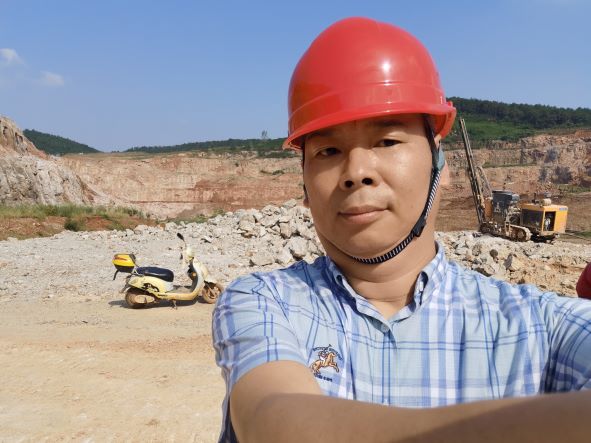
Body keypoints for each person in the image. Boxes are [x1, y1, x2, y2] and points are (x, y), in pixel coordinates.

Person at [212, 17, 591, 443]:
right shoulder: (267, 303)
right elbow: (274, 419)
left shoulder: (541, 327)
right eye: (329, 150)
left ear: (440, 166)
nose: (356, 171)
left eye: (387, 141)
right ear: (304, 186)